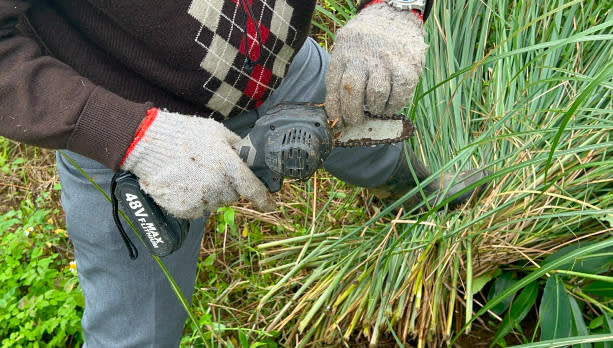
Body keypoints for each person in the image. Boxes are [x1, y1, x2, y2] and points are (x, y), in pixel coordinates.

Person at [0, 0, 485, 346]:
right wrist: (128, 134)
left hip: (286, 70)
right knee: (135, 332)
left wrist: (391, 9)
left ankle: (414, 192)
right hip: (126, 134)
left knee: (379, 151)